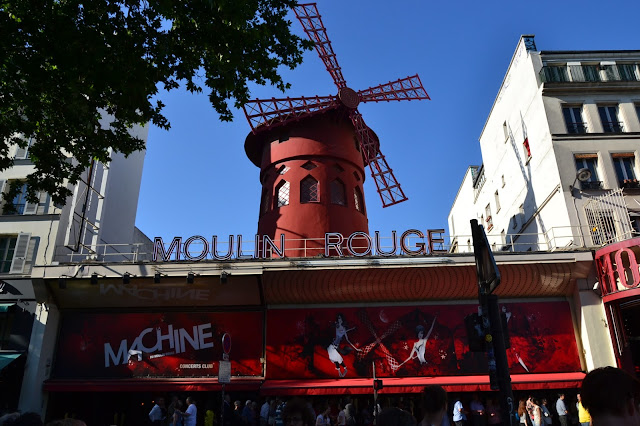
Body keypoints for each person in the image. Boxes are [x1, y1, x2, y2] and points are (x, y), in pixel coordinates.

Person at [327, 313, 361, 377]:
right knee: (335, 358)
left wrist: (356, 349)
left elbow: (348, 340)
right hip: (332, 345)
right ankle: (341, 372)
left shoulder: (343, 329)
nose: (339, 319)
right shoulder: (337, 326)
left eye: (340, 318)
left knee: (336, 358)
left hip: (335, 346)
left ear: (342, 319)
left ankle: (344, 370)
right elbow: (333, 325)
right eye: (338, 318)